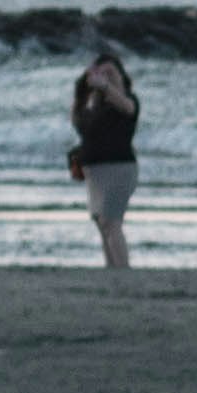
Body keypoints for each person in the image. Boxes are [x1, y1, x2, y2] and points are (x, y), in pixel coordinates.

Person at [68, 43, 141, 270]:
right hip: (95, 170)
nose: (106, 78)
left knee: (112, 220)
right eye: (102, 73)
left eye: (111, 73)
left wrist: (106, 86)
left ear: (121, 75)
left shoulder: (127, 100)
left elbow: (128, 108)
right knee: (101, 221)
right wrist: (82, 88)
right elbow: (78, 123)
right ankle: (111, 267)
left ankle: (122, 267)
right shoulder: (93, 105)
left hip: (119, 169)